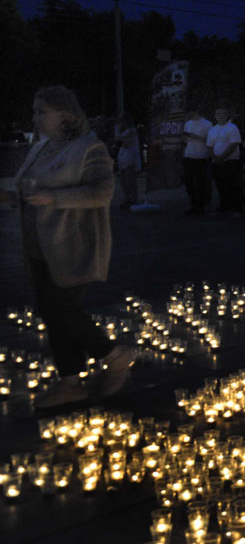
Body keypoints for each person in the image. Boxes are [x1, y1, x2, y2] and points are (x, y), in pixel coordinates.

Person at [0, 86, 134, 408]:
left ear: (66, 114)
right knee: (52, 312)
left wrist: (56, 198)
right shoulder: (41, 148)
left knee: (62, 310)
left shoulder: (89, 148)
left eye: (41, 111)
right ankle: (71, 383)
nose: (35, 118)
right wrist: (8, 199)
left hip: (75, 246)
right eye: (34, 111)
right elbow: (28, 195)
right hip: (40, 247)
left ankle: (115, 356)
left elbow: (102, 192)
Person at [207, 107, 243, 217]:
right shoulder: (213, 129)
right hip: (217, 162)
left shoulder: (232, 127)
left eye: (223, 114)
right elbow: (209, 145)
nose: (221, 116)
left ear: (227, 115)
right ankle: (224, 206)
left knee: (233, 185)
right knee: (220, 185)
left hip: (230, 161)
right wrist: (214, 157)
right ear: (215, 116)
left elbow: (234, 143)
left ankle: (238, 208)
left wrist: (222, 157)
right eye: (218, 114)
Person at [181, 107, 212, 215]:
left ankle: (202, 205)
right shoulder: (188, 123)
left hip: (201, 155)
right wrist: (186, 139)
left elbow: (210, 140)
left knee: (200, 182)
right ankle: (193, 205)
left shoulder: (207, 124)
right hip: (189, 154)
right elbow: (185, 139)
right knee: (189, 182)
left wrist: (198, 137)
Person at [114, 114, 141, 210]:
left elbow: (123, 142)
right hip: (123, 159)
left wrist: (116, 130)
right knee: (124, 181)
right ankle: (127, 198)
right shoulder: (126, 131)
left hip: (130, 159)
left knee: (130, 181)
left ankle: (133, 199)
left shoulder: (131, 131)